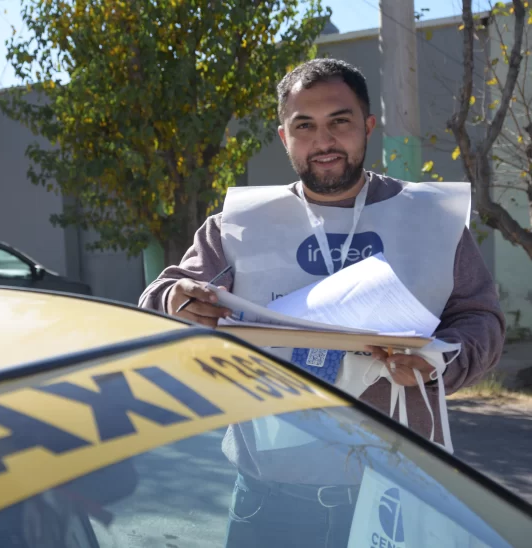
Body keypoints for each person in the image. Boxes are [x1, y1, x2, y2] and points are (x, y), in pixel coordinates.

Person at [138, 58, 505, 547]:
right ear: (284, 135)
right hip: (270, 497)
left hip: (400, 487)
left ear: (368, 125)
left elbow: (481, 321)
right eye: (304, 125)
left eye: (340, 121)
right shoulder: (239, 224)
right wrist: (173, 299)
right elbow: (159, 300)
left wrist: (438, 362)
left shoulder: (432, 221)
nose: (323, 140)